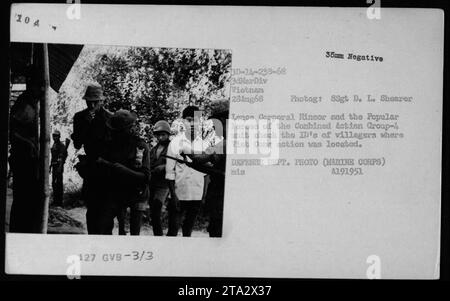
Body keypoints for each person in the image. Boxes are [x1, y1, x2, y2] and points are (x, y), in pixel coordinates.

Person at [95, 110, 151, 235]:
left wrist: (124, 170)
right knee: (112, 226)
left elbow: (145, 177)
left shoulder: (140, 146)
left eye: (119, 130)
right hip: (118, 192)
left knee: (134, 230)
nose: (115, 133)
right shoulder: (111, 146)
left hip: (138, 192)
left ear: (129, 129)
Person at [71, 84, 113, 234]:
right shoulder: (80, 117)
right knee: (92, 208)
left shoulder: (110, 118)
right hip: (90, 168)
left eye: (96, 101)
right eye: (89, 101)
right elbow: (76, 144)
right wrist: (86, 125)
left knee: (106, 210)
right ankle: (92, 239)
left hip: (107, 168)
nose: (92, 105)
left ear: (102, 101)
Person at [183, 104, 228, 237]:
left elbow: (201, 158)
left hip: (221, 195)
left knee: (216, 230)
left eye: (216, 123)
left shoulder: (225, 143)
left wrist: (189, 153)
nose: (214, 127)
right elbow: (212, 167)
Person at [8, 65, 42, 233]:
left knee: (25, 199)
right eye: (38, 86)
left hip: (26, 159)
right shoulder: (26, 105)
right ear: (32, 85)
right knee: (24, 199)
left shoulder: (30, 103)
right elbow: (12, 132)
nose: (41, 90)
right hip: (23, 160)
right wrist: (29, 143)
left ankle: (23, 228)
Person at [165, 106, 206, 237]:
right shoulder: (176, 143)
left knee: (188, 231)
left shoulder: (204, 144)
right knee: (173, 230)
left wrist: (203, 196)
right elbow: (170, 172)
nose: (192, 123)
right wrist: (173, 196)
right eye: (189, 120)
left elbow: (206, 174)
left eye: (196, 120)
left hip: (197, 194)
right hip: (179, 194)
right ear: (183, 121)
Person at [148, 120, 171, 236]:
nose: (161, 137)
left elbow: (180, 164)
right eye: (158, 135)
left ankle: (159, 235)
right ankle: (157, 234)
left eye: (163, 134)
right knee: (153, 211)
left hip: (165, 184)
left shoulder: (173, 148)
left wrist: (165, 166)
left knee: (157, 208)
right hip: (152, 182)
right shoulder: (153, 149)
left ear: (168, 134)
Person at [49, 130, 70, 207]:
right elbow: (53, 157)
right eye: (53, 135)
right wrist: (50, 166)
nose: (54, 137)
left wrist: (60, 167)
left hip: (58, 166)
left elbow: (62, 157)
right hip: (54, 166)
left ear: (59, 136)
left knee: (58, 184)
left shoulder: (61, 145)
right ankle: (55, 201)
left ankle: (59, 202)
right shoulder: (54, 144)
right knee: (54, 184)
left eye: (56, 136)